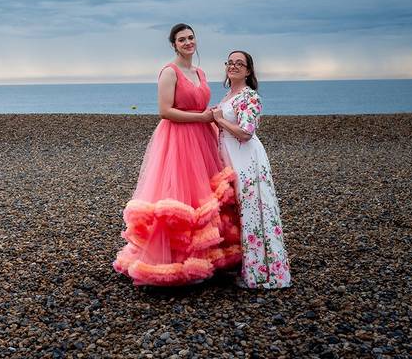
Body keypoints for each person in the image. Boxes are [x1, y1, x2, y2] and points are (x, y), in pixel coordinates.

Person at [114, 24, 242, 285]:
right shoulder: (169, 72)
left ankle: (207, 257)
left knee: (203, 193)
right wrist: (200, 116)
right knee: (178, 191)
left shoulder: (200, 72)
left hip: (201, 136)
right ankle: (174, 261)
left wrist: (213, 115)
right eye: (181, 39)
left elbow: (202, 105)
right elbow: (165, 110)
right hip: (177, 137)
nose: (187, 42)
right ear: (174, 45)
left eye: (191, 37)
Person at [212, 51, 291, 289]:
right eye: (230, 62)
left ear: (248, 71)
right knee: (236, 211)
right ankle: (241, 263)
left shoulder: (250, 96)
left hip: (246, 159)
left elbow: (246, 133)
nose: (233, 66)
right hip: (229, 157)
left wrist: (219, 120)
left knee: (253, 210)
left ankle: (261, 272)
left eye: (240, 63)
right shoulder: (229, 95)